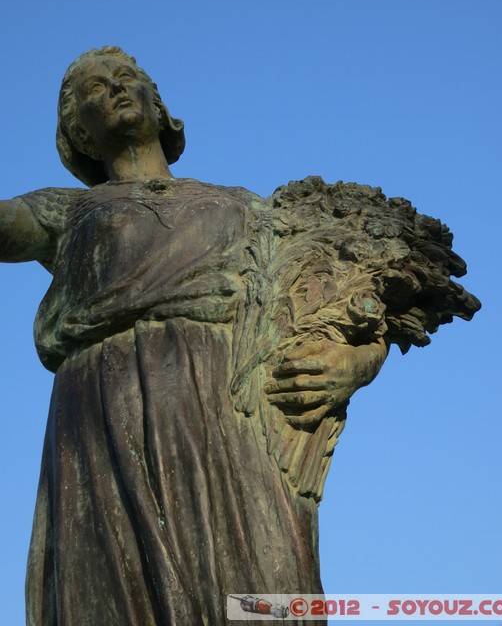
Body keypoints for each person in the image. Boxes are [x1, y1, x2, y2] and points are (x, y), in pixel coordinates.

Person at [1, 47, 401, 626]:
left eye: (127, 77)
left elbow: (353, 312)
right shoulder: (71, 210)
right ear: (79, 136)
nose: (115, 87)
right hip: (102, 409)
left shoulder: (247, 210)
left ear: (156, 103)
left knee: (263, 584)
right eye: (93, 89)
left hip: (223, 409)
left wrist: (353, 364)